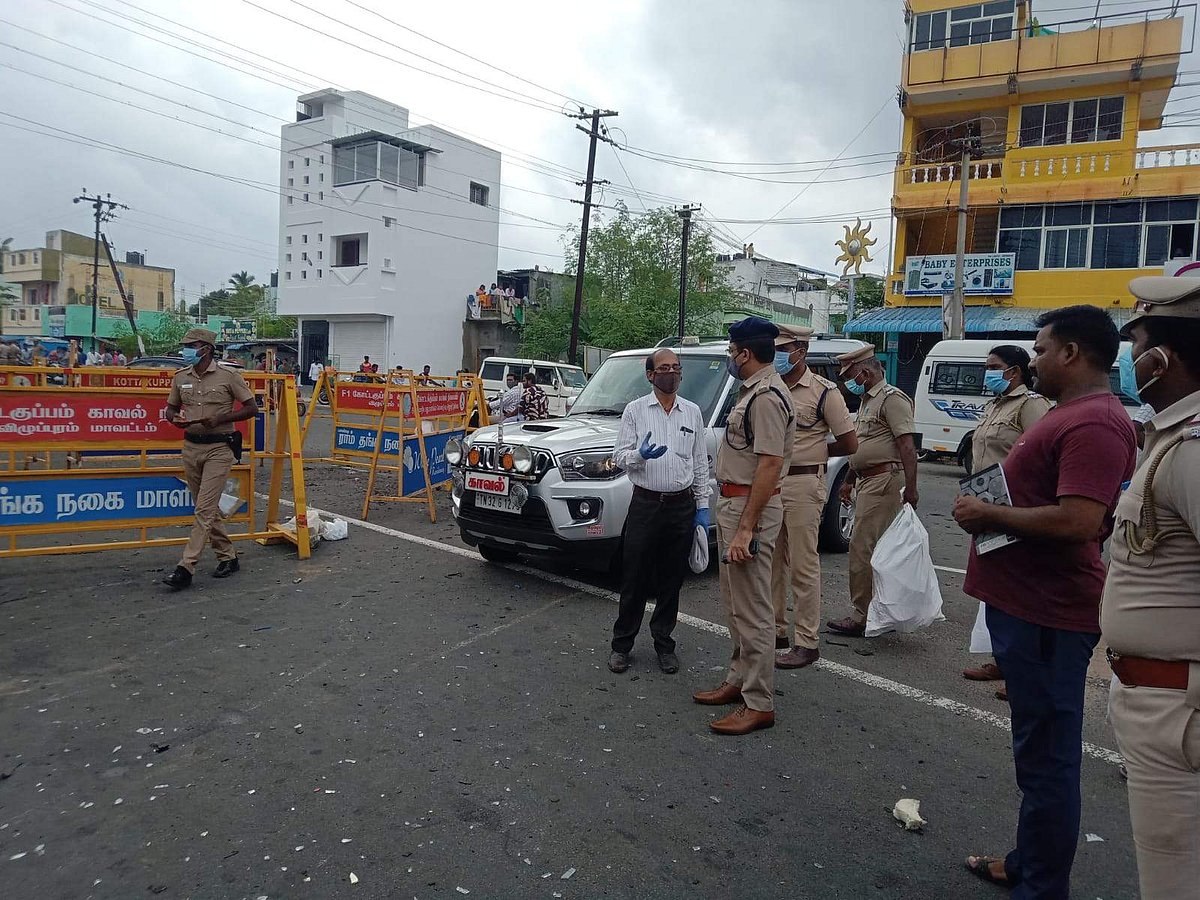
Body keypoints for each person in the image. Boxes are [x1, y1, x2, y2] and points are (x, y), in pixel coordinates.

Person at [953, 305, 1136, 896]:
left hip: (1049, 615)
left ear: (1071, 353)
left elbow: (1079, 520)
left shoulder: (1094, 422)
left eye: (1040, 350)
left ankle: (1041, 884)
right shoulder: (1067, 413)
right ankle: (1028, 863)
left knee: (1049, 761)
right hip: (1028, 610)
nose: (1033, 361)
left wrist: (989, 514)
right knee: (1037, 754)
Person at [1102, 277, 1200, 899]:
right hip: (1163, 697)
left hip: (1178, 709)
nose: (1130, 359)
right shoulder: (1172, 435)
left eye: (1135, 344)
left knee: (1175, 882)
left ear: (1160, 359)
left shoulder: (1192, 448)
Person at [693, 316, 793, 736]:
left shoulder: (766, 397)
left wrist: (747, 529)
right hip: (736, 503)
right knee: (737, 605)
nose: (731, 358)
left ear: (746, 354)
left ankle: (758, 702)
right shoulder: (752, 391)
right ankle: (739, 679)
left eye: (733, 352)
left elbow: (769, 465)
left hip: (750, 508)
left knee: (753, 610)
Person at [609, 348, 711, 676]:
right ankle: (621, 645)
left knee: (672, 579)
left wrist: (702, 507)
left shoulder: (692, 412)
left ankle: (664, 644)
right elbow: (619, 456)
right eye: (664, 368)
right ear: (650, 375)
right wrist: (639, 455)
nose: (671, 373)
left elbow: (699, 462)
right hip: (646, 504)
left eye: (675, 367)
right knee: (635, 578)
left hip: (681, 507)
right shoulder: (635, 410)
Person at [962, 346, 1052, 700]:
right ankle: (1003, 660)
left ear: (1014, 371)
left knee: (1016, 593)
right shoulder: (995, 406)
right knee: (994, 590)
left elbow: (1045, 455)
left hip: (1013, 510)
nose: (987, 373)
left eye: (993, 367)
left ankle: (1022, 673)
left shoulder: (1031, 405)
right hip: (985, 506)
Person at [770, 324, 858, 668]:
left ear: (800, 352)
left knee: (803, 564)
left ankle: (807, 641)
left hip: (804, 482)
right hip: (772, 483)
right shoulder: (770, 386)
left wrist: (815, 451)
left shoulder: (823, 391)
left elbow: (849, 442)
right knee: (772, 561)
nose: (777, 356)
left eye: (783, 350)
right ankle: (776, 630)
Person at [826, 345, 919, 636]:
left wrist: (911, 489)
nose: (847, 383)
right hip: (868, 480)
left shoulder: (892, 399)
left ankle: (861, 616)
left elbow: (907, 446)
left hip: (884, 480)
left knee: (862, 547)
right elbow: (864, 445)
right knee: (874, 549)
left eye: (850, 376)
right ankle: (877, 612)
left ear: (865, 373)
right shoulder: (868, 400)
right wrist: (849, 478)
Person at [162, 328, 259, 591]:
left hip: (219, 448)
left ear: (206, 348)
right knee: (206, 508)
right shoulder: (181, 377)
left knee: (204, 510)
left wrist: (220, 419)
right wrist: (174, 418)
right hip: (191, 447)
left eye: (191, 346)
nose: (186, 350)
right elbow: (171, 408)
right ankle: (228, 556)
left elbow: (251, 408)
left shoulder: (229, 376)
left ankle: (186, 567)